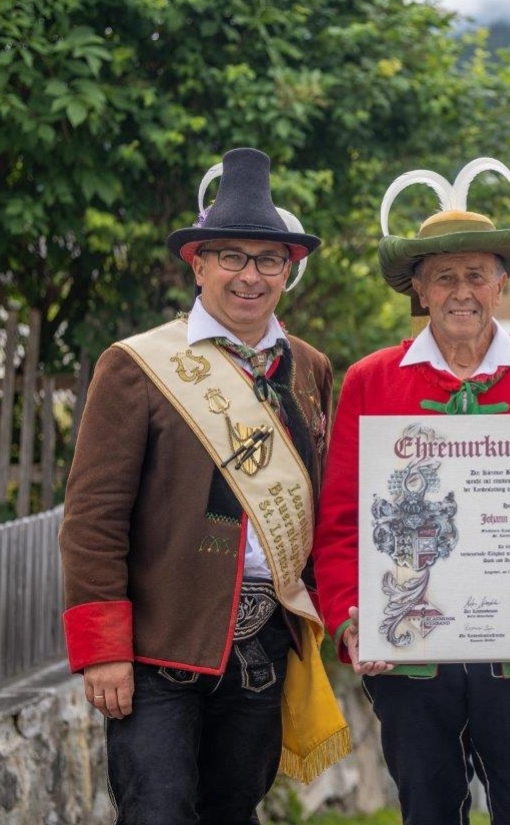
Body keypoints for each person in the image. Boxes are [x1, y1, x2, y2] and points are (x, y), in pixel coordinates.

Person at [310, 157, 510, 825]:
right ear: (419, 287)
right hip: (411, 659)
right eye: (444, 276)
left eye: (476, 274)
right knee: (427, 812)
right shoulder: (370, 381)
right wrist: (353, 615)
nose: (461, 291)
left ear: (502, 283)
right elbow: (341, 525)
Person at [58, 147, 349, 823]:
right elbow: (93, 517)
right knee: (157, 811)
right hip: (158, 648)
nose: (251, 276)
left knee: (233, 811)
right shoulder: (136, 366)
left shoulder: (308, 368)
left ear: (290, 269)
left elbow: (324, 506)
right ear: (198, 263)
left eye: (269, 259)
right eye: (232, 257)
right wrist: (103, 650)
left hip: (262, 646)